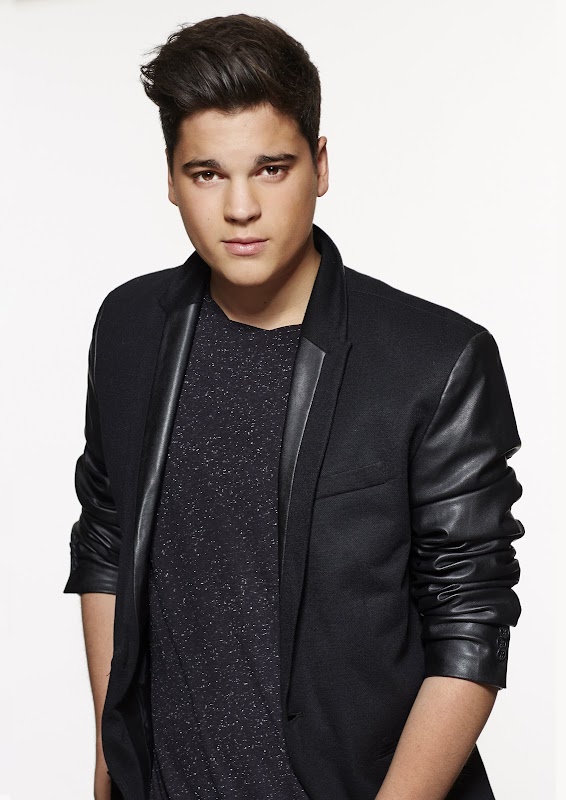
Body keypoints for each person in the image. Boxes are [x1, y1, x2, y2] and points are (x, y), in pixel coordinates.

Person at [63, 13, 525, 800]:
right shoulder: (129, 327)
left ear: (320, 164)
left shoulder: (436, 360)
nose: (240, 207)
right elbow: (106, 539)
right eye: (207, 173)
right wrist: (112, 760)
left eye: (271, 169)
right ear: (170, 179)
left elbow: (470, 622)